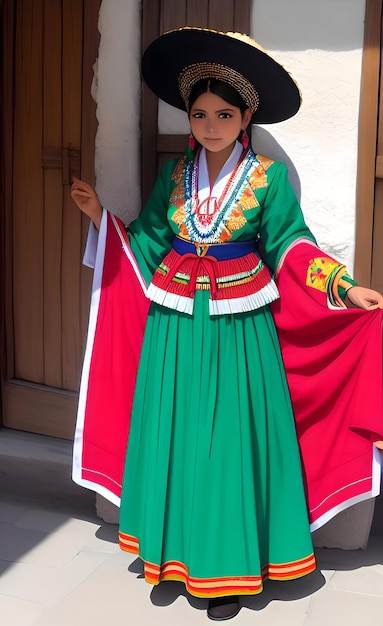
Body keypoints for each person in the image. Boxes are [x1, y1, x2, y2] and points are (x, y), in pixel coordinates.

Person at [71, 28, 383, 621]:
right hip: (175, 325)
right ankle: (176, 555)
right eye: (198, 113)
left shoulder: (266, 179)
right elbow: (149, 243)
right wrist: (103, 221)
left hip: (241, 332)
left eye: (223, 114)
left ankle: (233, 567)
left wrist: (344, 287)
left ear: (245, 118)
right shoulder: (173, 177)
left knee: (229, 444)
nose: (209, 125)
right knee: (179, 433)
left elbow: (292, 245)